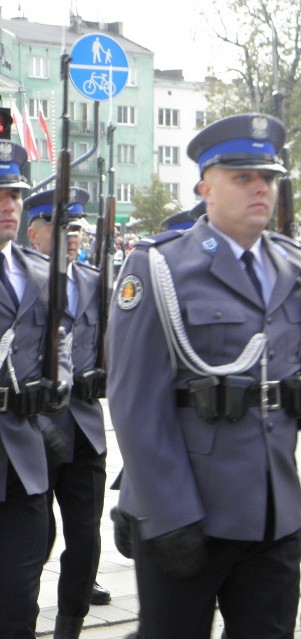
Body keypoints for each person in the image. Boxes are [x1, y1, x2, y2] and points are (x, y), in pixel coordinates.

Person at [105, 113, 301, 639]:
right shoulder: (160, 267)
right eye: (243, 177)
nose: (261, 187)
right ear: (205, 187)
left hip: (271, 511)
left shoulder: (294, 265)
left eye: (270, 178)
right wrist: (169, 512)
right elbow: (134, 404)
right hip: (190, 509)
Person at [24, 187, 112, 638]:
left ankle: (70, 624)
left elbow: (115, 350)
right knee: (34, 540)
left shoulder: (97, 282)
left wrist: (104, 374)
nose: (72, 236)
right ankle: (21, 614)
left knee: (86, 538)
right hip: (34, 433)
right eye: (61, 227)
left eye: (77, 228)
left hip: (85, 430)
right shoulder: (20, 282)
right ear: (34, 233)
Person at [0, 141, 72, 638]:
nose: (8, 204)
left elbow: (60, 344)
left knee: (20, 600)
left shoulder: (40, 274)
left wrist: (53, 389)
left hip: (23, 463)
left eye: (14, 194)